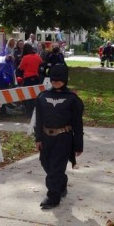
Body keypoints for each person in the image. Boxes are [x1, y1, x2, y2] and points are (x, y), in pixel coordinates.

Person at [35, 64, 84, 209]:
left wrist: (78, 145)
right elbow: (39, 119)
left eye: (59, 79)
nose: (56, 82)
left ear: (65, 79)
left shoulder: (72, 99)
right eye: (54, 79)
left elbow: (77, 124)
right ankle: (61, 184)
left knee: (56, 167)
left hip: (64, 138)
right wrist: (38, 138)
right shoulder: (43, 96)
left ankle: (53, 196)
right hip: (46, 137)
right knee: (46, 163)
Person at [19, 43, 43, 117]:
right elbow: (41, 62)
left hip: (27, 78)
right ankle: (34, 111)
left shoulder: (25, 57)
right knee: (34, 94)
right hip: (36, 77)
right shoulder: (37, 56)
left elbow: (21, 68)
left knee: (27, 95)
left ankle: (28, 112)